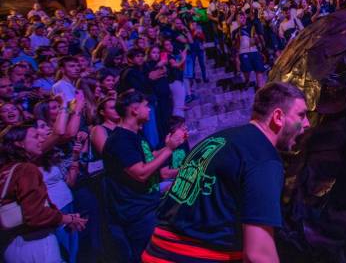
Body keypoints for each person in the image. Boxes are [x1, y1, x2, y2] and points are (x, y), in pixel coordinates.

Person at [144, 82, 309, 263]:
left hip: (156, 251)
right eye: (301, 115)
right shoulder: (263, 159)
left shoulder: (218, 139)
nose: (307, 123)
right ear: (278, 116)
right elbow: (259, 254)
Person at [102, 91, 187, 262]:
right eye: (146, 106)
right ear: (134, 110)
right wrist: (170, 149)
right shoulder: (120, 140)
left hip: (149, 206)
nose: (149, 110)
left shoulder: (134, 135)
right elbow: (141, 173)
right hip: (138, 214)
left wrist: (171, 145)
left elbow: (149, 157)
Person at [0, 124, 87, 263]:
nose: (41, 140)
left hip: (11, 245)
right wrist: (67, 219)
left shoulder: (6, 170)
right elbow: (36, 215)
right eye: (35, 136)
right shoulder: (26, 170)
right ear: (19, 143)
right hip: (36, 244)